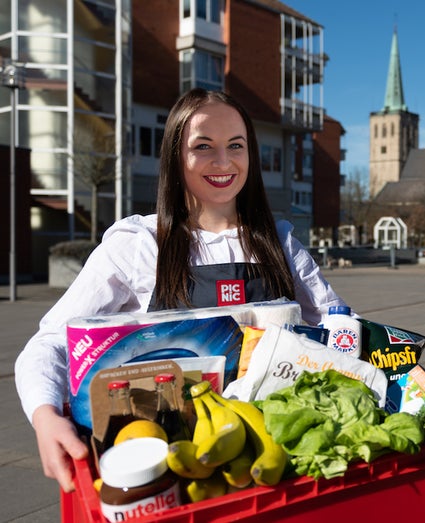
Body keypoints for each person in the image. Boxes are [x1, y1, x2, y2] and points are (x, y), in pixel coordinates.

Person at [14, 88, 352, 492]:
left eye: (236, 146)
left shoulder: (278, 242)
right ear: (176, 156)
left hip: (274, 459)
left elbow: (339, 326)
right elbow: (52, 341)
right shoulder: (139, 242)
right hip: (171, 465)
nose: (223, 161)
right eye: (203, 146)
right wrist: (45, 415)